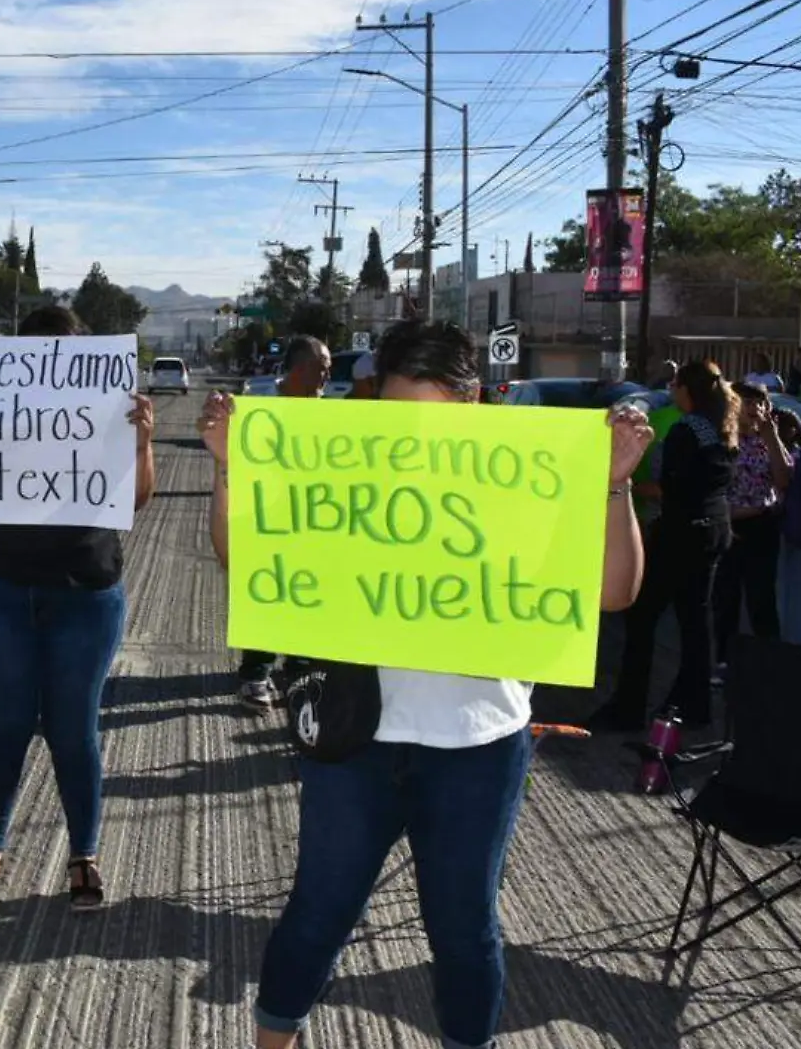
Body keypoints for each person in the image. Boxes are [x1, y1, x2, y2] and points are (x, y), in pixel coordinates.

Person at [199, 319, 653, 1049]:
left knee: (465, 931)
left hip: (479, 744)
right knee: (317, 912)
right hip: (358, 740)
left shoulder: (532, 470)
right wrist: (227, 467)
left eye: (434, 417)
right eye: (398, 412)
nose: (416, 436)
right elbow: (242, 556)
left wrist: (614, 485)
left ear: (475, 405)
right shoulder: (345, 461)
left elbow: (615, 593)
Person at [0, 305, 159, 912]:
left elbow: (140, 498)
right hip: (4, 589)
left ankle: (84, 856)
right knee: (5, 726)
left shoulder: (109, 409)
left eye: (64, 354)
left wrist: (143, 441)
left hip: (86, 591)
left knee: (74, 729)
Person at [597, 360, 738, 731]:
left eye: (676, 385)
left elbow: (668, 487)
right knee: (695, 620)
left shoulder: (684, 430)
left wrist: (615, 482)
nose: (671, 391)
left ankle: (628, 708)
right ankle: (696, 706)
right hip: (715, 529)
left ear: (685, 390)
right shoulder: (723, 427)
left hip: (680, 533)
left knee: (641, 618)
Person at [233, 336, 329, 713]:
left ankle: (301, 669)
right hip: (267, 521)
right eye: (323, 368)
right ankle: (256, 672)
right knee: (267, 593)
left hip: (314, 522)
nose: (328, 375)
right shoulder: (261, 407)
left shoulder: (333, 414)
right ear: (302, 369)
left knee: (310, 594)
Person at [712, 384, 793, 664]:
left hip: (763, 525)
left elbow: (783, 480)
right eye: (747, 402)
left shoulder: (767, 440)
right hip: (730, 526)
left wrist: (771, 437)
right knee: (726, 598)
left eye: (760, 403)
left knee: (762, 597)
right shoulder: (722, 440)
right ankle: (725, 660)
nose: (754, 409)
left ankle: (769, 660)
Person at [773, 408, 801, 644]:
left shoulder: (797, 459)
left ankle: (789, 639)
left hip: (786, 524)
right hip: (798, 526)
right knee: (793, 585)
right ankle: (795, 637)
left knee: (784, 584)